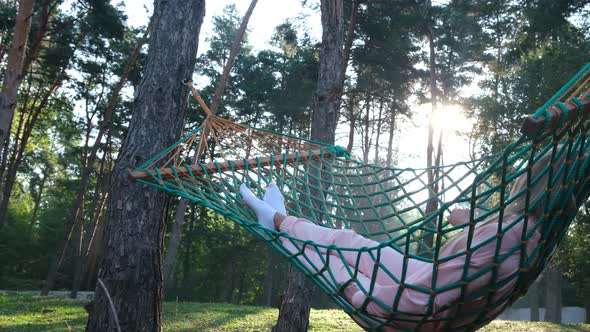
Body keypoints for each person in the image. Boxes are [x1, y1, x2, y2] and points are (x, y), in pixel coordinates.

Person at [239, 147, 581, 330]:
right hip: (423, 279)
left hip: (412, 309)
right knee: (350, 241)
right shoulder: (526, 228)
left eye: (526, 173)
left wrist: (361, 295)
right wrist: (475, 220)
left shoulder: (503, 235)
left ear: (532, 182)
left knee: (337, 262)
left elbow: (424, 298)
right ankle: (279, 220)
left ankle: (275, 220)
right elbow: (468, 235)